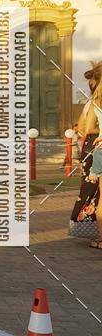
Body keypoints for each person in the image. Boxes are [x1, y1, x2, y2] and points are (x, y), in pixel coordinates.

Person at [71, 62, 102, 242]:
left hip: (93, 144)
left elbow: (85, 127)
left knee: (92, 191)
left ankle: (97, 235)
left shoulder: (92, 103)